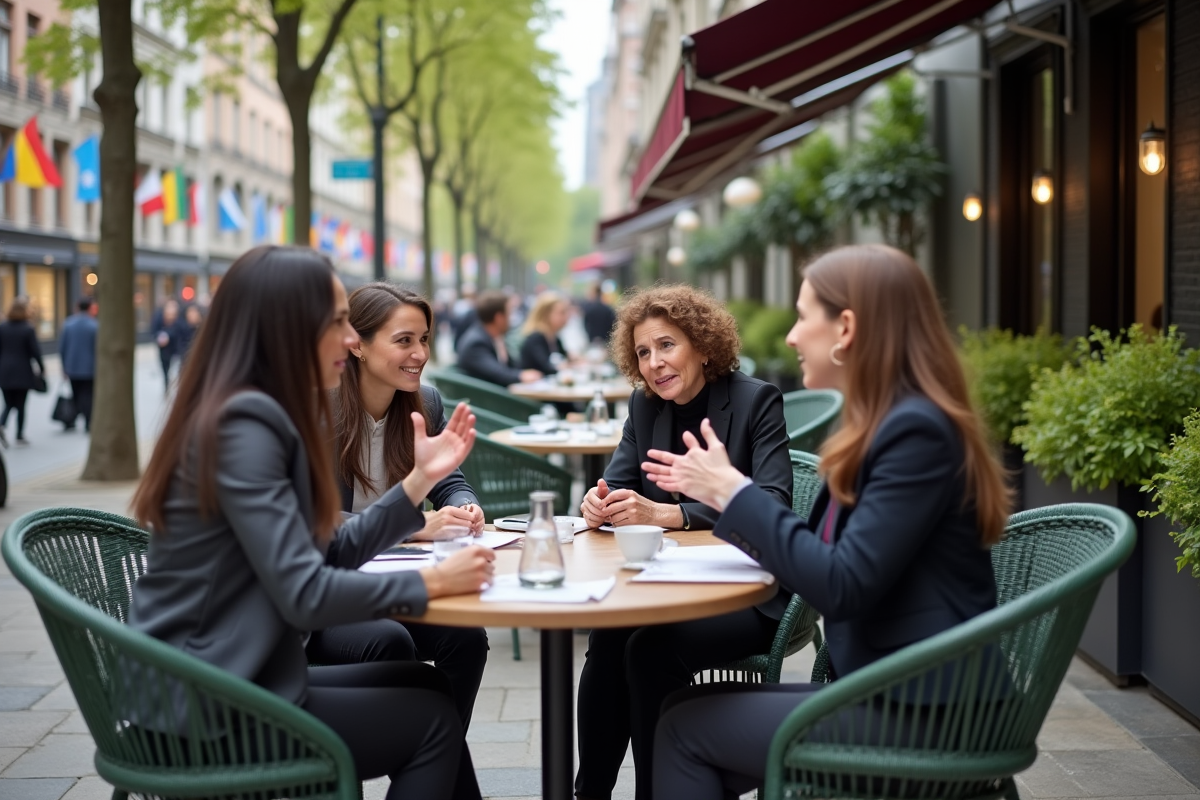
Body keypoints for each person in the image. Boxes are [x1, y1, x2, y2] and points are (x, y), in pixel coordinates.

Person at [642, 244, 1012, 800]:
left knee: (682, 732)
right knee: (678, 712)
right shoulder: (892, 423)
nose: (790, 336)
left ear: (845, 328)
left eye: (802, 315)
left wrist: (733, 492)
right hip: (892, 694)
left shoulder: (914, 432)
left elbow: (840, 584)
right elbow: (822, 562)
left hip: (932, 717)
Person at [128, 245, 496, 800]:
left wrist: (418, 484)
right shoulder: (245, 425)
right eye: (339, 321)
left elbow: (324, 545)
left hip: (235, 675)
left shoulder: (249, 409)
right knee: (433, 722)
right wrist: (431, 583)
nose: (351, 337)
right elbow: (304, 594)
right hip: (210, 701)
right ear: (288, 327)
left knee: (429, 687)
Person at [574, 284, 792, 800]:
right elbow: (621, 482)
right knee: (608, 638)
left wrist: (673, 514)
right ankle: (589, 794)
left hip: (746, 591)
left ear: (704, 346)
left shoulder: (757, 400)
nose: (654, 363)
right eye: (644, 352)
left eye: (667, 345)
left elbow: (773, 503)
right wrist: (601, 502)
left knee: (650, 650)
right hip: (664, 583)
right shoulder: (645, 406)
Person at [318, 281, 489, 735]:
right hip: (330, 591)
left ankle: (436, 758)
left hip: (394, 577)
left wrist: (464, 504)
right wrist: (415, 527)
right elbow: (312, 522)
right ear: (359, 346)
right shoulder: (316, 410)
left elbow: (447, 478)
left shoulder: (423, 402)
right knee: (390, 640)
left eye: (424, 339)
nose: (420, 354)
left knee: (466, 638)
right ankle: (418, 753)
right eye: (404, 341)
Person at [455, 289, 542, 387]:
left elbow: (511, 367)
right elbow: (498, 373)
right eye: (509, 313)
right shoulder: (476, 343)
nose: (511, 319)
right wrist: (522, 376)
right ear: (499, 318)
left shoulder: (494, 337)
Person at [0, 300, 45, 446]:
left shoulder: (3, 327)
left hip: (5, 370)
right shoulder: (27, 328)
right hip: (22, 371)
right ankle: (19, 434)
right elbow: (35, 351)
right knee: (21, 404)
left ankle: (2, 425)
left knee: (9, 403)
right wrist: (41, 368)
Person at [58, 297, 98, 432]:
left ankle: (72, 419)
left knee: (76, 393)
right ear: (89, 308)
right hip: (90, 368)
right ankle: (88, 421)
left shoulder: (68, 324)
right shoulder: (94, 325)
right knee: (88, 395)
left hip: (72, 367)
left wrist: (64, 367)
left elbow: (62, 348)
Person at [518, 291, 571, 376]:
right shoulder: (535, 338)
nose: (566, 317)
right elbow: (547, 367)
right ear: (546, 314)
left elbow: (565, 357)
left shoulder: (554, 337)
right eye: (561, 313)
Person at [153, 300, 180, 393]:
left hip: (177, 350)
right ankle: (167, 386)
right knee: (165, 370)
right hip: (164, 351)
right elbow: (153, 331)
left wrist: (168, 335)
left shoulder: (179, 320)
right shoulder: (159, 318)